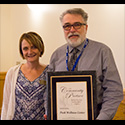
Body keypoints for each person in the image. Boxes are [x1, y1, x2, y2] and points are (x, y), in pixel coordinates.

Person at [48, 8, 123, 120]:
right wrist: (49, 111)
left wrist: (102, 118)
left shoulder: (102, 52)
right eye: (67, 26)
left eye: (77, 25)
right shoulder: (56, 55)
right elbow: (48, 90)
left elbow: (114, 91)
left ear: (86, 27)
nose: (72, 30)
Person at [1, 32, 48, 120]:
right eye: (25, 48)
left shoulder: (49, 72)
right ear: (22, 52)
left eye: (34, 47)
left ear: (40, 48)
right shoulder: (12, 73)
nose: (30, 52)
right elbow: (6, 104)